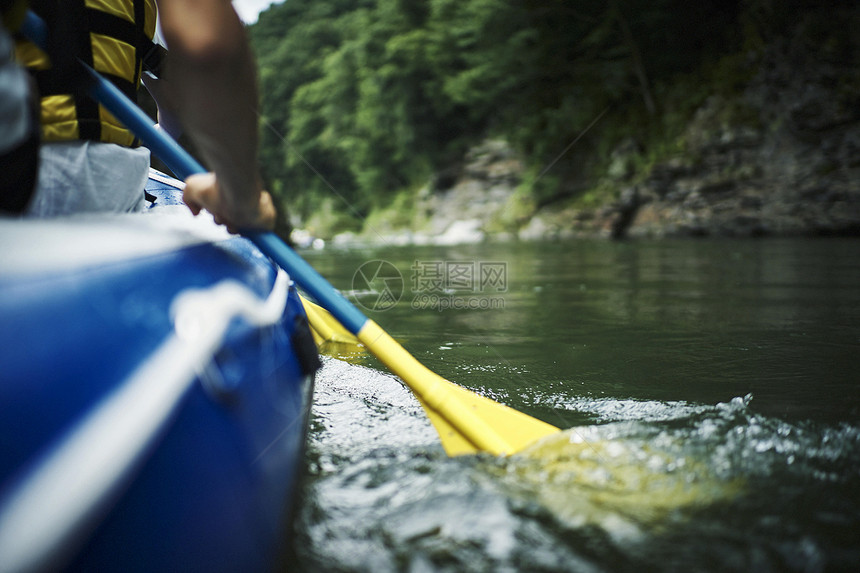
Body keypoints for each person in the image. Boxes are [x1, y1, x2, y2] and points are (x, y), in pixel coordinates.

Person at [17, 0, 274, 231]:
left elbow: (196, 58)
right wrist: (240, 195)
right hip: (98, 176)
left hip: (24, 167)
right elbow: (200, 49)